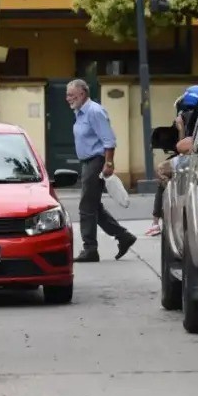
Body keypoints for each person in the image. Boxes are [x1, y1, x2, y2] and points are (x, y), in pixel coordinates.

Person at [66, 79, 137, 262]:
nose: (68, 99)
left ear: (82, 94)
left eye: (71, 95)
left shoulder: (94, 111)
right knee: (94, 206)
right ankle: (124, 236)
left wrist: (109, 163)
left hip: (96, 162)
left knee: (86, 207)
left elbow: (109, 140)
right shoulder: (80, 112)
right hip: (88, 162)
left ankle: (90, 249)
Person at [147, 85, 198, 236]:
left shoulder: (189, 118)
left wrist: (180, 128)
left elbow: (182, 146)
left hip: (191, 158)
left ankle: (158, 219)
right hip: (195, 157)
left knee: (162, 170)